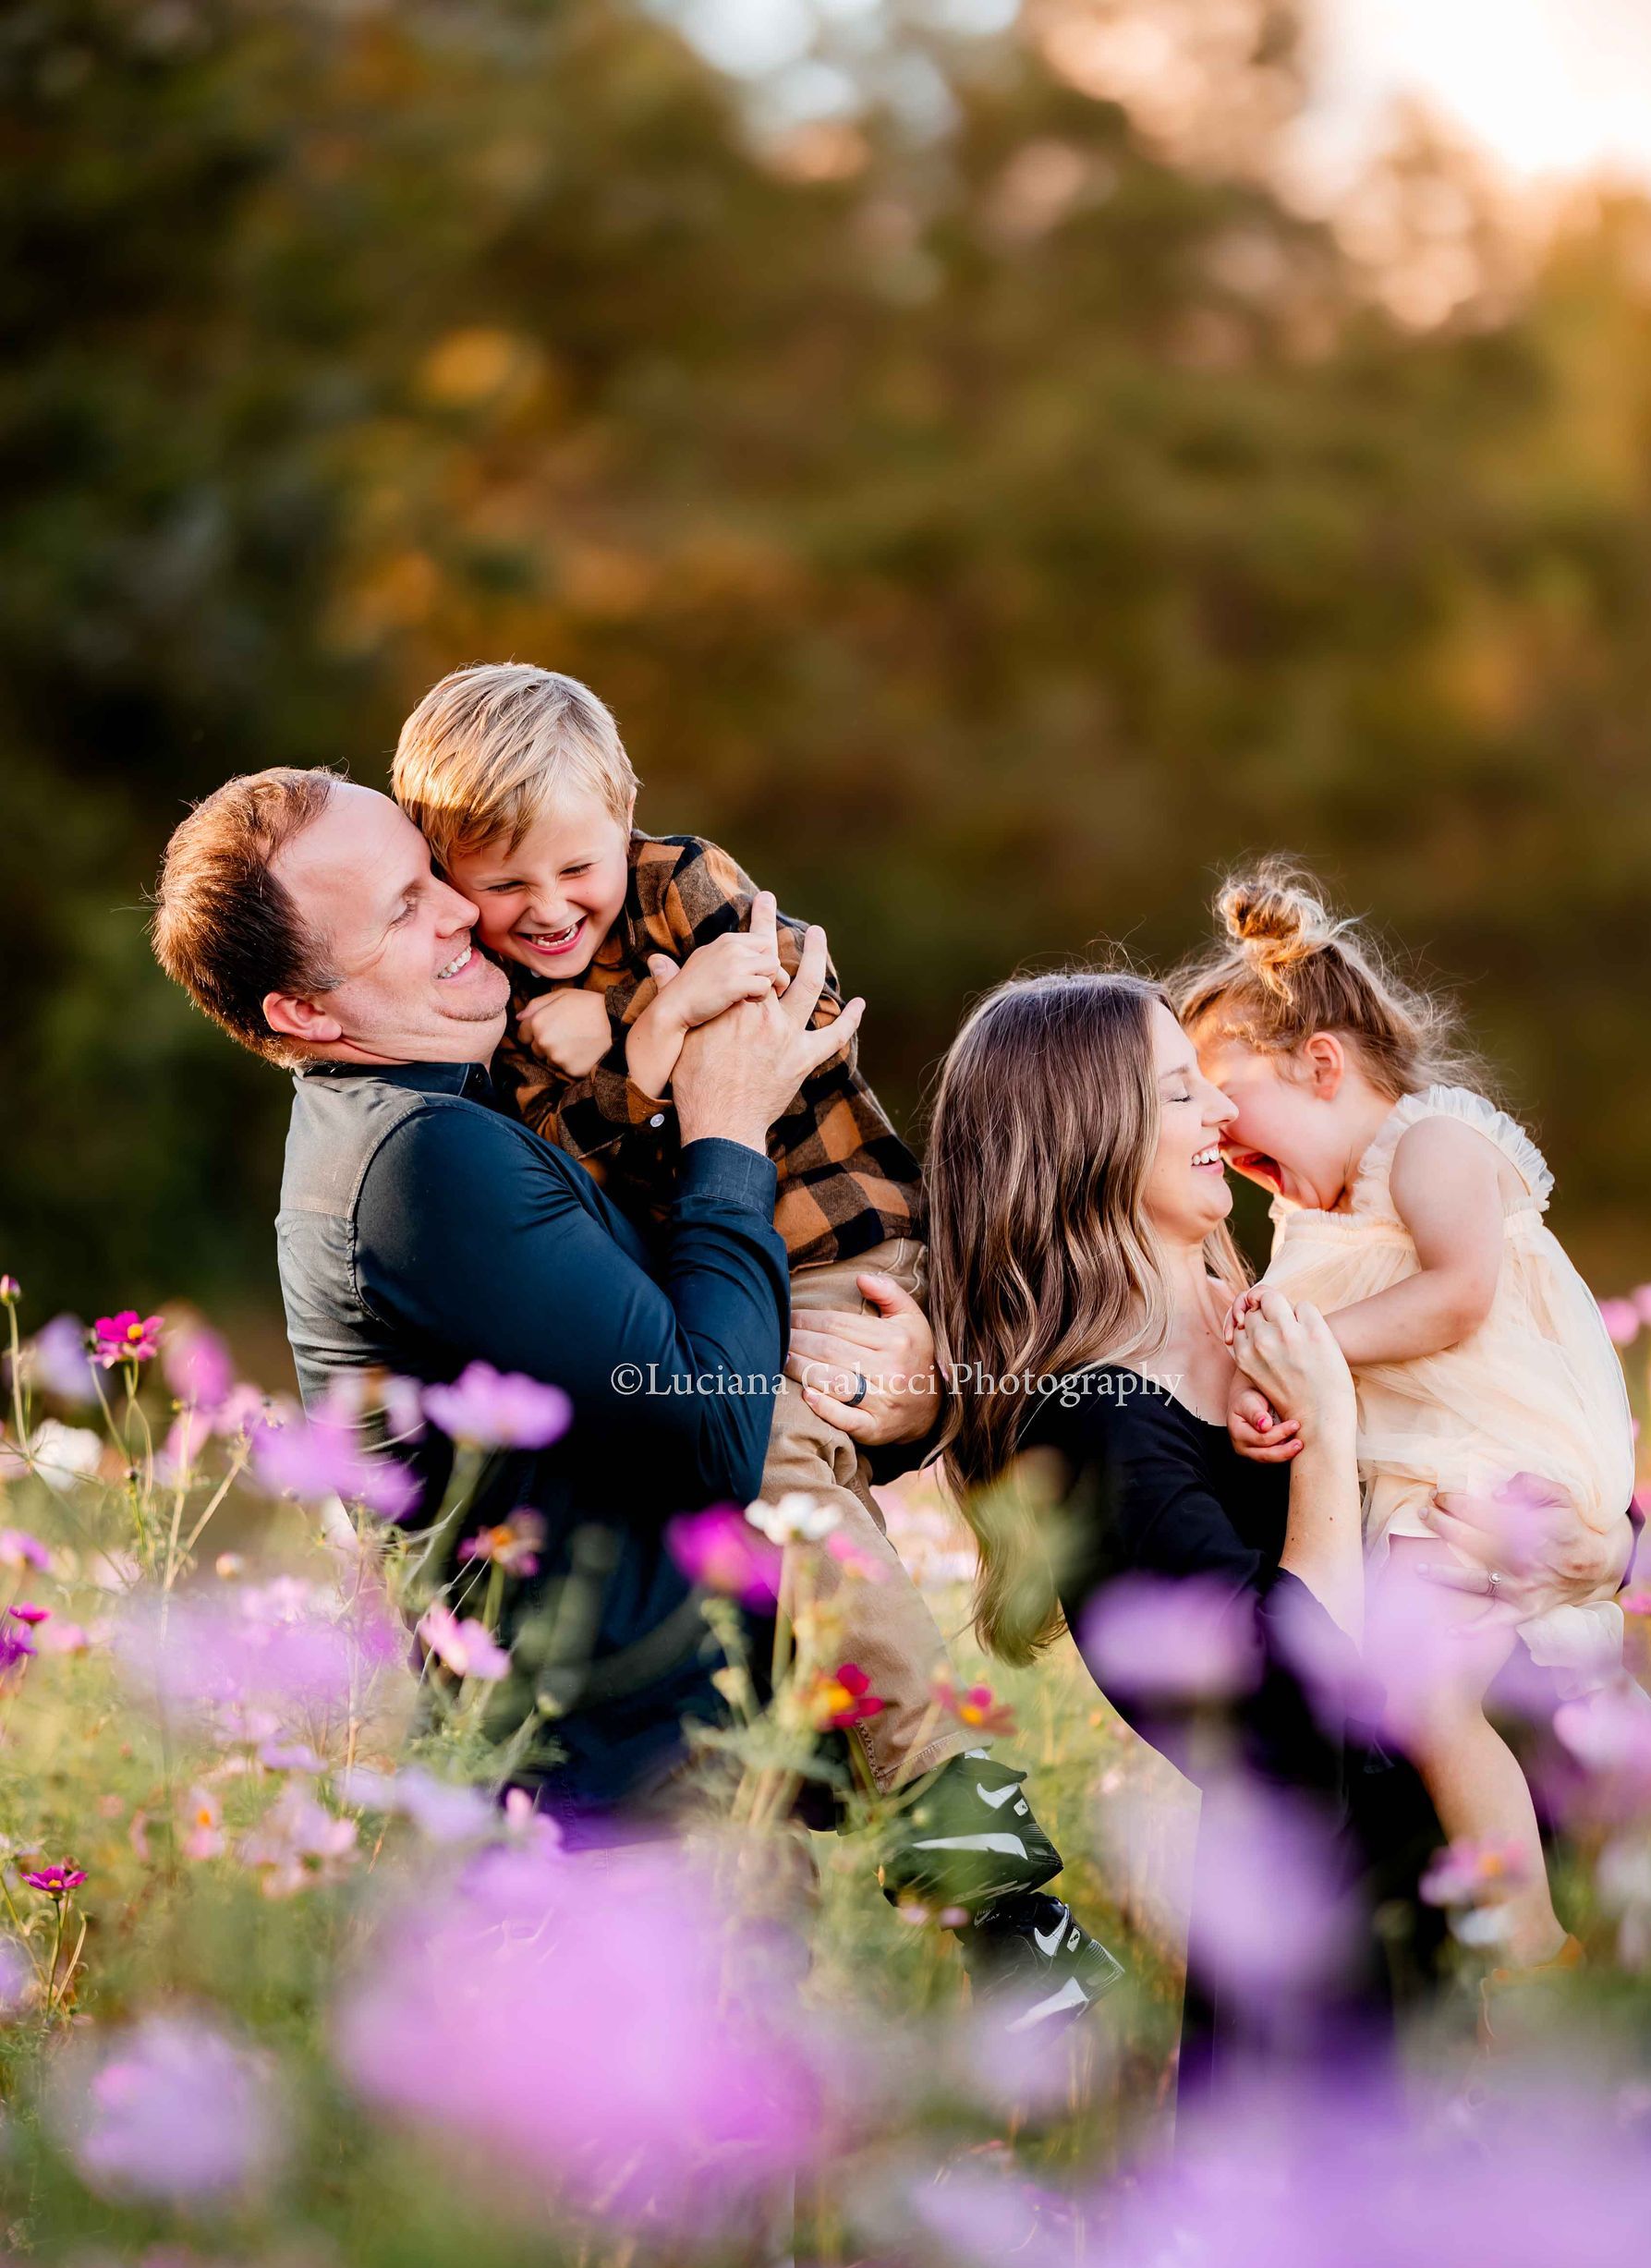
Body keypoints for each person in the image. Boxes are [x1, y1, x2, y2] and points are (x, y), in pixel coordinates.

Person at [389, 661, 1120, 2010]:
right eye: (505, 886)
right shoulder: (478, 1016)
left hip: (844, 1251)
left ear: (626, 821)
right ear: (445, 875)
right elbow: (581, 1184)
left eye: (576, 867)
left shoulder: (687, 886)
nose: (549, 909)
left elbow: (761, 1001)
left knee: (776, 1484)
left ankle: (960, 1823)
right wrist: (632, 1047)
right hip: (723, 1307)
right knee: (753, 1518)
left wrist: (630, 1025)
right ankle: (892, 1851)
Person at [920, 969, 1637, 2071]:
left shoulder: (1288, 1304)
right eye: (1179, 1094)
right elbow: (1284, 1739)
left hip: (1546, 1874)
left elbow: (1510, 1409)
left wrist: (1608, 1548)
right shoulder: (1092, 1429)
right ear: (1089, 1139)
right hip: (1354, 1972)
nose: (1222, 1113)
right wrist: (1329, 1441)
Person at [150, 766, 849, 1824]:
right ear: (302, 1009)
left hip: (647, 1786)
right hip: (623, 1820)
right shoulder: (421, 1159)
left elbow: (667, 1361)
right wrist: (730, 1127)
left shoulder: (427, 1117)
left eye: (430, 874)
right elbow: (709, 1427)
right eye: (401, 911)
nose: (462, 908)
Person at [1171, 861, 1636, 1974]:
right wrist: (1271, 1405)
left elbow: (1460, 1293)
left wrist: (1309, 1354)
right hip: (1426, 1473)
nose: (1233, 1155)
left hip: (1498, 1448)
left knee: (1424, 1694)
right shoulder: (1304, 1224)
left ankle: (1532, 1938)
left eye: (1240, 1118)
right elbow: (1314, 1371)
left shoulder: (1432, 1143)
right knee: (1453, 1697)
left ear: (1324, 1065)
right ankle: (1571, 1912)